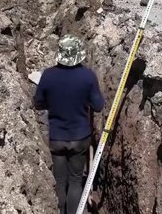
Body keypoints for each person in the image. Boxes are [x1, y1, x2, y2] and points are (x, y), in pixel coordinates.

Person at [33, 35, 105, 214]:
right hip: (80, 138)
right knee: (75, 181)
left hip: (57, 138)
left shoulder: (48, 75)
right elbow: (98, 106)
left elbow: (38, 103)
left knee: (60, 181)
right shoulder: (88, 76)